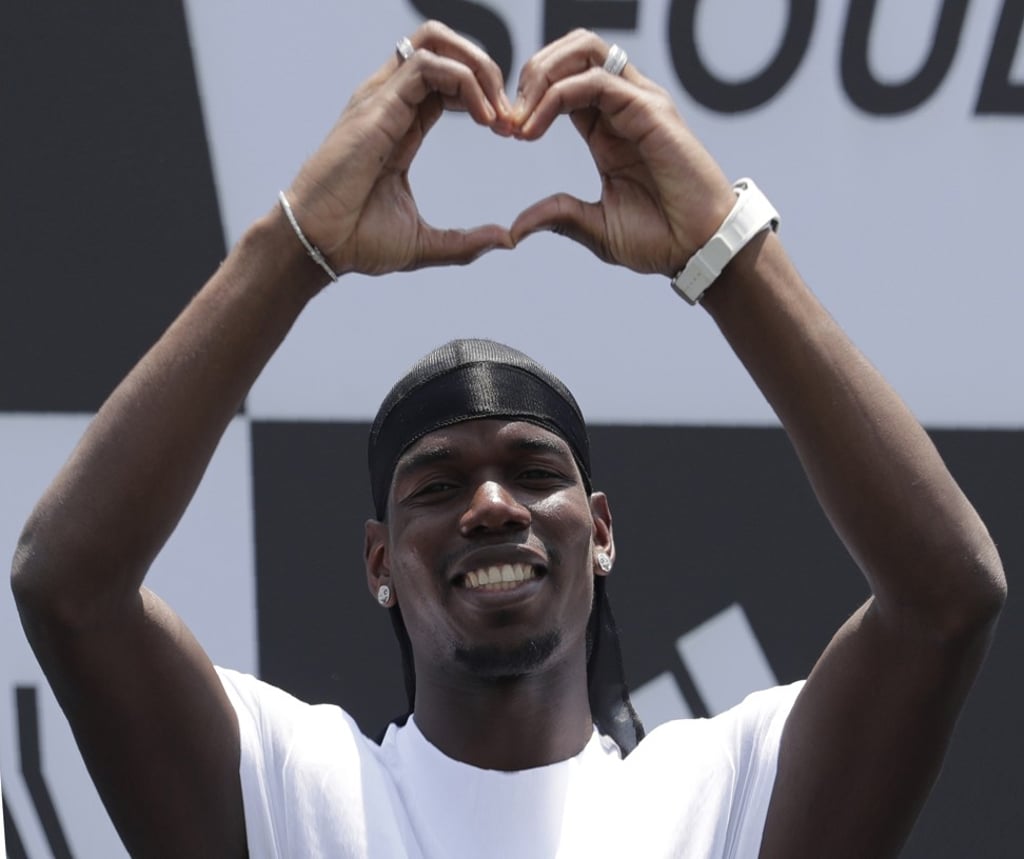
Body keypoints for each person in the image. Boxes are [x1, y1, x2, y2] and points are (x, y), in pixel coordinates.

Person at [10, 21, 1005, 859]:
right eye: (437, 486)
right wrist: (295, 243)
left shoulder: (720, 790)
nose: (491, 506)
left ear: (601, 530)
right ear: (378, 561)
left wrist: (726, 249)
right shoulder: (295, 785)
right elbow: (68, 585)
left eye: (534, 472)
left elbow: (946, 598)